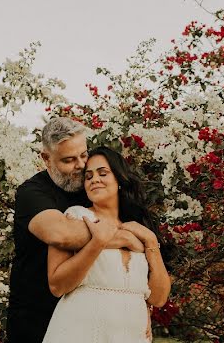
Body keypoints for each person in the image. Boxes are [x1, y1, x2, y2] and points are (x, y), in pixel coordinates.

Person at [7, 117, 145, 343]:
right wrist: (125, 237)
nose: (81, 166)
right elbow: (61, 235)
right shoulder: (32, 193)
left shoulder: (91, 186)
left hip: (88, 317)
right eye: (69, 160)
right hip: (36, 317)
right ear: (46, 159)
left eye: (83, 155)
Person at [42, 146, 171, 343]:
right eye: (88, 176)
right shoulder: (76, 217)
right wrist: (98, 243)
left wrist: (151, 242)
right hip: (81, 330)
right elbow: (57, 285)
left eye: (103, 173)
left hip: (131, 334)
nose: (95, 180)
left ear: (119, 179)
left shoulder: (138, 229)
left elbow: (159, 298)